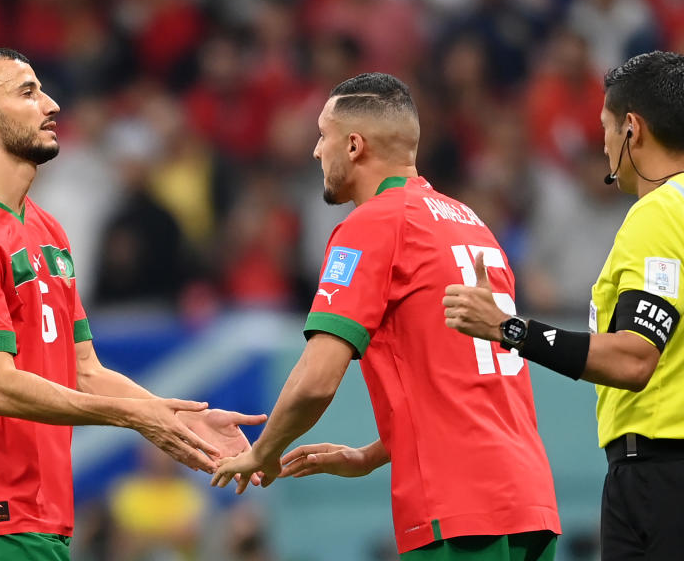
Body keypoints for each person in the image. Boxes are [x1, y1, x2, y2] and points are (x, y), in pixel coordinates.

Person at [0, 48, 266, 561]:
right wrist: (135, 419)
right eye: (27, 92)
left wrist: (181, 423)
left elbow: (84, 370)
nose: (51, 104)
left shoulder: (48, 230)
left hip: (41, 510)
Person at [212, 73, 561, 559]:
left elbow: (317, 380)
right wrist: (373, 454)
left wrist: (261, 451)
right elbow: (463, 380)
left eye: (322, 135)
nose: (316, 152)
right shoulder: (471, 224)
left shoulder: (373, 224)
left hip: (455, 506)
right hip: (529, 501)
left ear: (353, 145)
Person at [441, 51, 684, 560]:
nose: (602, 142)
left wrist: (509, 329)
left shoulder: (659, 215)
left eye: (605, 126)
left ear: (631, 130)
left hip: (662, 486)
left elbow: (635, 358)